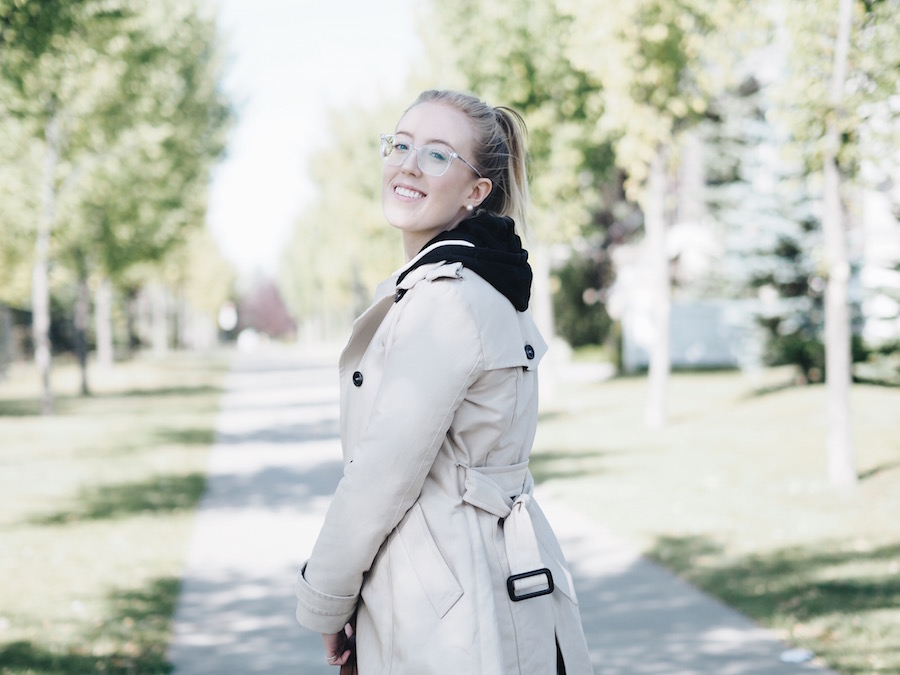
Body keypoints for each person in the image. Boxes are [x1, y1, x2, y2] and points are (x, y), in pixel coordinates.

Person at [295, 89, 592, 674]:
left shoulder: (447, 299)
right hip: (483, 580)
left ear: (477, 190)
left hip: (450, 608)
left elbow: (380, 476)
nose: (406, 164)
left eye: (436, 154)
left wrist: (324, 602)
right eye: (400, 145)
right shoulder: (481, 282)